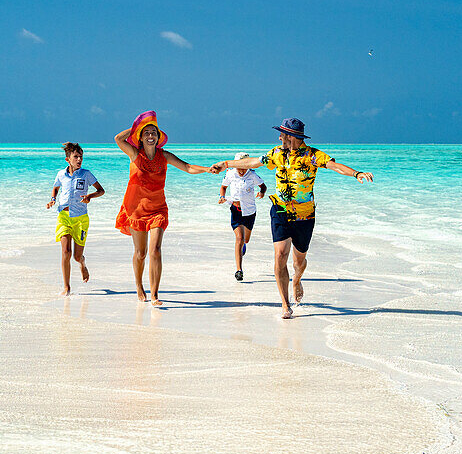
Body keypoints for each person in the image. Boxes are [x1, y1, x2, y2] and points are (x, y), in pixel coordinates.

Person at [211, 117, 373, 319]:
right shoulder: (276, 154)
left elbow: (335, 166)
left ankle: (296, 279)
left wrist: (355, 173)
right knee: (280, 255)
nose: (279, 137)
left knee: (299, 261)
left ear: (292, 137)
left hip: (305, 215)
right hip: (280, 210)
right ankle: (285, 304)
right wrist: (226, 163)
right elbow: (253, 162)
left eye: (282, 134)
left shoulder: (312, 155)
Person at [114, 110, 213, 306]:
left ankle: (155, 294)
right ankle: (138, 286)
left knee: (156, 250)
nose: (151, 136)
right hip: (136, 209)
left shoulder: (164, 156)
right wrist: (136, 127)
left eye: (154, 133)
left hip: (158, 209)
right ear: (141, 138)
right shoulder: (135, 154)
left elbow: (187, 167)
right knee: (140, 253)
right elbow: (118, 139)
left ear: (158, 138)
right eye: (147, 133)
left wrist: (207, 169)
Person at [46, 142, 105, 295]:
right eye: (76, 157)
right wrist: (53, 199)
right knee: (65, 252)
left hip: (80, 219)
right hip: (64, 217)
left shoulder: (86, 174)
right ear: (68, 159)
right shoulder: (60, 174)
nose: (79, 160)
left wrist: (90, 196)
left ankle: (83, 264)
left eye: (81, 157)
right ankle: (66, 287)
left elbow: (101, 190)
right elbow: (56, 187)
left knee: (77, 256)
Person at [217, 152, 266, 281]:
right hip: (236, 210)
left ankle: (243, 246)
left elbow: (263, 186)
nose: (241, 170)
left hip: (249, 211)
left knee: (246, 240)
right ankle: (239, 270)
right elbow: (223, 187)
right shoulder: (230, 173)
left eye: (244, 167)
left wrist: (261, 193)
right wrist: (222, 197)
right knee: (239, 238)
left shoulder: (253, 175)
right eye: (239, 167)